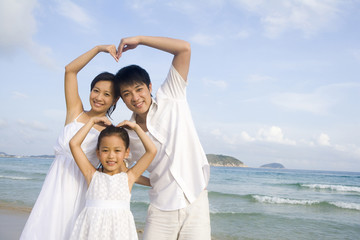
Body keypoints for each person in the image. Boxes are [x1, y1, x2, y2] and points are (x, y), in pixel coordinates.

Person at [115, 36, 211, 239]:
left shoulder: (172, 95)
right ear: (123, 100)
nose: (135, 98)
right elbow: (120, 168)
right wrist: (150, 181)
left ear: (149, 87)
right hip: (161, 207)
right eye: (127, 94)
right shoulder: (128, 135)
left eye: (139, 89)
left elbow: (184, 49)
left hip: (196, 200)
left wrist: (140, 40)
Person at [20, 45, 120, 240]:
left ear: (115, 100)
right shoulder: (76, 112)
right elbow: (70, 70)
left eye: (107, 94)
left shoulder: (109, 131)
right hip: (54, 185)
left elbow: (116, 168)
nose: (99, 97)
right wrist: (99, 49)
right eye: (96, 90)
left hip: (80, 189)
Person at [69, 117, 157, 240]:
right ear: (98, 153)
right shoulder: (92, 175)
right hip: (92, 232)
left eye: (117, 150)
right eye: (105, 150)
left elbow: (152, 151)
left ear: (126, 153)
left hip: (120, 232)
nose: (111, 156)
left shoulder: (128, 178)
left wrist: (136, 128)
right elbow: (74, 144)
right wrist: (91, 122)